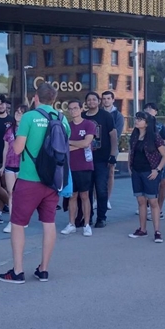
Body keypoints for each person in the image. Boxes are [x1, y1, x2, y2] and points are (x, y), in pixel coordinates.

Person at [0, 82, 70, 284]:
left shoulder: (29, 117)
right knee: (49, 224)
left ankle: (18, 271)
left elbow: (18, 149)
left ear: (36, 98)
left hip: (29, 179)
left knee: (18, 224)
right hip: (52, 181)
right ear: (53, 99)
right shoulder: (62, 120)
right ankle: (43, 270)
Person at [127, 111, 165, 242]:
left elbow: (164, 155)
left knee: (153, 201)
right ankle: (142, 229)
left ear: (147, 123)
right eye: (136, 118)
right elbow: (130, 152)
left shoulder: (154, 136)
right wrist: (129, 167)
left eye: (140, 119)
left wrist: (157, 170)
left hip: (150, 172)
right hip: (136, 172)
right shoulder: (134, 135)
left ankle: (157, 231)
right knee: (140, 201)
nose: (137, 121)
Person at [61, 99, 96, 237]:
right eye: (70, 108)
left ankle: (86, 224)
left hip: (84, 165)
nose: (73, 111)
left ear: (81, 109)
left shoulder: (89, 124)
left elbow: (87, 143)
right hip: (70, 166)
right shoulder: (66, 126)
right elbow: (63, 147)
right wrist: (78, 145)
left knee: (85, 195)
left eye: (75, 108)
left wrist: (70, 143)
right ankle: (71, 224)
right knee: (72, 195)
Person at [82, 91, 114, 228]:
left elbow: (113, 136)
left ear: (98, 101)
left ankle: (101, 217)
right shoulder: (82, 116)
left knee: (101, 189)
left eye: (94, 100)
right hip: (84, 160)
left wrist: (113, 154)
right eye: (89, 100)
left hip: (101, 158)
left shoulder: (106, 116)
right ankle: (87, 218)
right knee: (86, 190)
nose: (91, 102)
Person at [0, 104, 26, 233]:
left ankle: (22, 218)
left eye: (21, 112)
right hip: (10, 164)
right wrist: (3, 165)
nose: (18, 114)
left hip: (23, 165)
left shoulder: (28, 130)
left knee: (21, 194)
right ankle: (12, 221)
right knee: (11, 193)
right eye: (17, 112)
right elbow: (5, 148)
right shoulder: (9, 129)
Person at [101, 90, 124, 209]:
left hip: (112, 148)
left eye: (108, 98)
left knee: (110, 173)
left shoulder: (118, 115)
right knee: (97, 174)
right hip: (98, 148)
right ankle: (97, 199)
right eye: (104, 98)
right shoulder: (98, 113)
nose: (106, 100)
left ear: (113, 100)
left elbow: (117, 133)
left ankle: (107, 200)